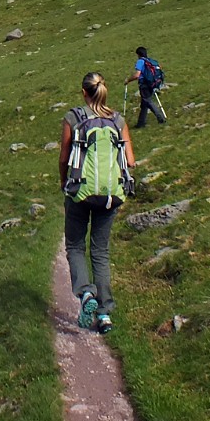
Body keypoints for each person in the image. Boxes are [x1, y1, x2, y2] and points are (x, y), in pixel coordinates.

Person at [59, 71, 135, 333]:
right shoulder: (117, 120)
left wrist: (63, 183)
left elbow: (64, 157)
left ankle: (86, 294)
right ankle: (104, 315)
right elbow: (131, 160)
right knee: (100, 253)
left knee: (75, 246)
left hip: (80, 192)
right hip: (111, 195)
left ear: (84, 93)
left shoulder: (73, 118)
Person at [125, 46, 166, 129]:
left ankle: (161, 118)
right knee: (144, 105)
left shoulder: (140, 61)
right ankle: (141, 123)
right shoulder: (150, 61)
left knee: (148, 101)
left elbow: (137, 75)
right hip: (152, 83)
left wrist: (128, 80)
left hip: (144, 84)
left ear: (138, 54)